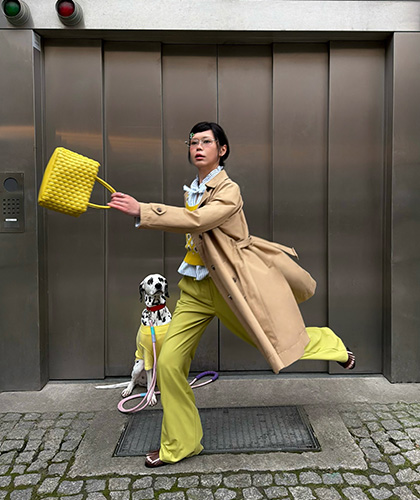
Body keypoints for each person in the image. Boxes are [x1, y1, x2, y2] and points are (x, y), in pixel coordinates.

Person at [108, 121, 355, 468]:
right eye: (193, 142)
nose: (198, 147)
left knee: (275, 341)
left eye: (206, 142)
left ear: (222, 150)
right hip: (194, 289)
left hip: (229, 289)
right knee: (168, 364)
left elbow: (199, 221)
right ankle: (181, 444)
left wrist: (143, 210)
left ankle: (333, 345)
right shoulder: (193, 188)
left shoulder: (229, 190)